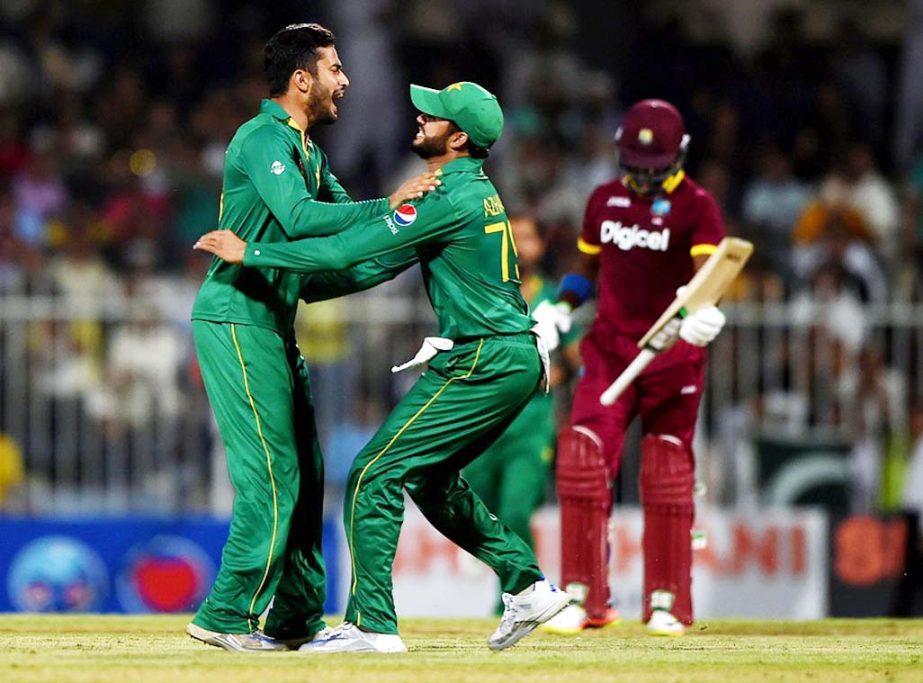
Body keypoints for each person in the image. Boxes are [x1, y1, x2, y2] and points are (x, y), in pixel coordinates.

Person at [194, 80, 569, 654]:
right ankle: (526, 583)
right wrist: (289, 287)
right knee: (429, 477)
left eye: (435, 115)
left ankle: (373, 626)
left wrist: (256, 255)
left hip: (482, 358)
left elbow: (349, 250)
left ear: (459, 137)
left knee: (372, 475)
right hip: (504, 356)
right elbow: (376, 265)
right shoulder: (471, 191)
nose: (421, 116)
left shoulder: (443, 195)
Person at [186, 22, 438, 653]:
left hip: (272, 322)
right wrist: (388, 206)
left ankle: (295, 618)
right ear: (302, 80)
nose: (345, 81)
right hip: (237, 319)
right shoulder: (260, 138)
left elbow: (342, 256)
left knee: (307, 471)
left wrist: (417, 239)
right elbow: (303, 221)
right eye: (335, 68)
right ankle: (223, 614)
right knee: (272, 474)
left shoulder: (311, 154)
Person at [531, 99, 727, 636]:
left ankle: (668, 600)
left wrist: (704, 314)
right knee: (582, 456)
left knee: (666, 468)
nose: (642, 179)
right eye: (633, 167)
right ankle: (581, 594)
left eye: (654, 169)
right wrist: (560, 308)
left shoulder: (697, 206)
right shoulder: (604, 199)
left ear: (679, 156)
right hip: (612, 348)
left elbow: (707, 278)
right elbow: (586, 268)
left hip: (673, 354)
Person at [462, 214, 579, 611]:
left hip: (531, 422)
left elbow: (575, 358)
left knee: (515, 507)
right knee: (472, 499)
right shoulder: (487, 292)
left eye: (526, 237)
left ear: (540, 245)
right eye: (511, 237)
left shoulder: (553, 299)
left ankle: (515, 598)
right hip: (485, 422)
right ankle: (510, 573)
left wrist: (559, 370)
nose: (518, 245)